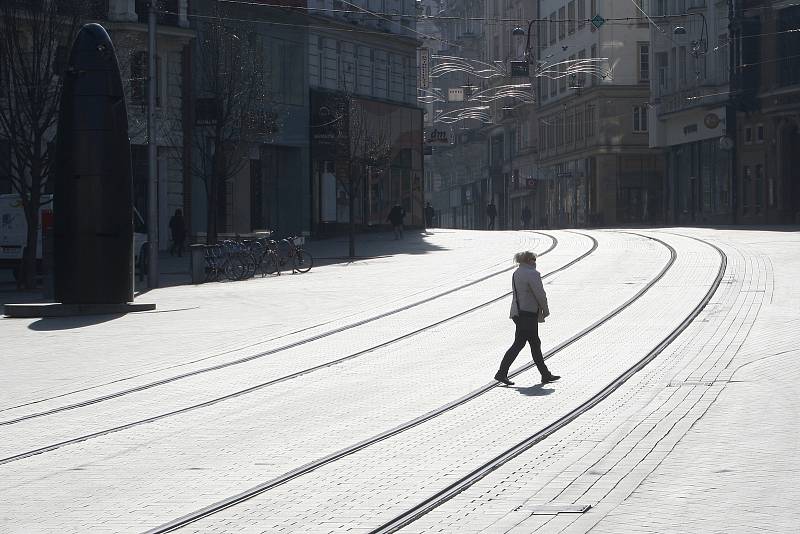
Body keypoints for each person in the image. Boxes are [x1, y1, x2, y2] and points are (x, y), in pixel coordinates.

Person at [494, 251, 560, 386]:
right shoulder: (532, 274)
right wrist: (545, 310)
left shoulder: (517, 273)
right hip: (528, 314)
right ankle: (501, 373)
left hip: (518, 313)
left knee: (532, 344)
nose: (535, 261)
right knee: (523, 344)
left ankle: (545, 374)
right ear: (527, 260)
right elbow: (540, 294)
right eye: (533, 259)